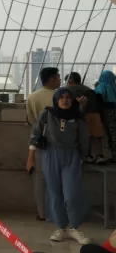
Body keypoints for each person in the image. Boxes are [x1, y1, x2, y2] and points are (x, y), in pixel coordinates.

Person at [28, 87, 92, 244]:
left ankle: (75, 227)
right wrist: (30, 158)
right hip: (50, 154)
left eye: (68, 97)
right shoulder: (48, 114)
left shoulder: (78, 118)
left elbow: (84, 140)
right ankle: (61, 227)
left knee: (72, 194)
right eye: (61, 97)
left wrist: (82, 157)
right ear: (56, 100)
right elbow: (35, 134)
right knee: (54, 193)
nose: (65, 100)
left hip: (71, 156)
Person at [26, 67, 61, 221]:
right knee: (59, 178)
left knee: (40, 179)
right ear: (52, 79)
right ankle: (58, 213)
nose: (60, 80)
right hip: (60, 142)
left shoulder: (32, 97)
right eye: (58, 77)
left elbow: (31, 120)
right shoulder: (61, 96)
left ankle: (42, 213)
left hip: (39, 141)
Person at [67, 72, 105, 162]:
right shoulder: (89, 89)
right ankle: (99, 156)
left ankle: (87, 156)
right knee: (96, 137)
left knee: (84, 137)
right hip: (96, 115)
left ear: (70, 81)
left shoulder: (70, 89)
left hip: (83, 115)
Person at [95, 70, 116, 163]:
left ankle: (114, 155)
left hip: (107, 111)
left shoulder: (102, 86)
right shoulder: (114, 86)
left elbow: (98, 97)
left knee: (111, 132)